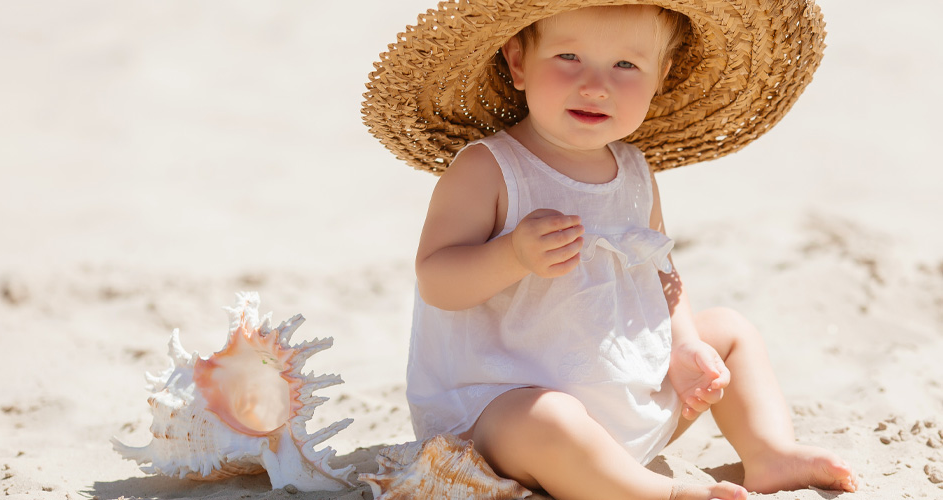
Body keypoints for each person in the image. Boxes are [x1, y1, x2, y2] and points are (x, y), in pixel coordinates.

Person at [362, 1, 858, 499]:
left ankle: (770, 452)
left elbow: (662, 270)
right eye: (568, 57)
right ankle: (651, 492)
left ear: (660, 76)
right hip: (502, 418)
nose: (595, 84)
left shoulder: (636, 173)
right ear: (517, 63)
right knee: (549, 418)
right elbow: (437, 279)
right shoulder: (489, 169)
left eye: (625, 65)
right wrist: (511, 255)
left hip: (625, 407)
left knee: (729, 332)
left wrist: (684, 345)